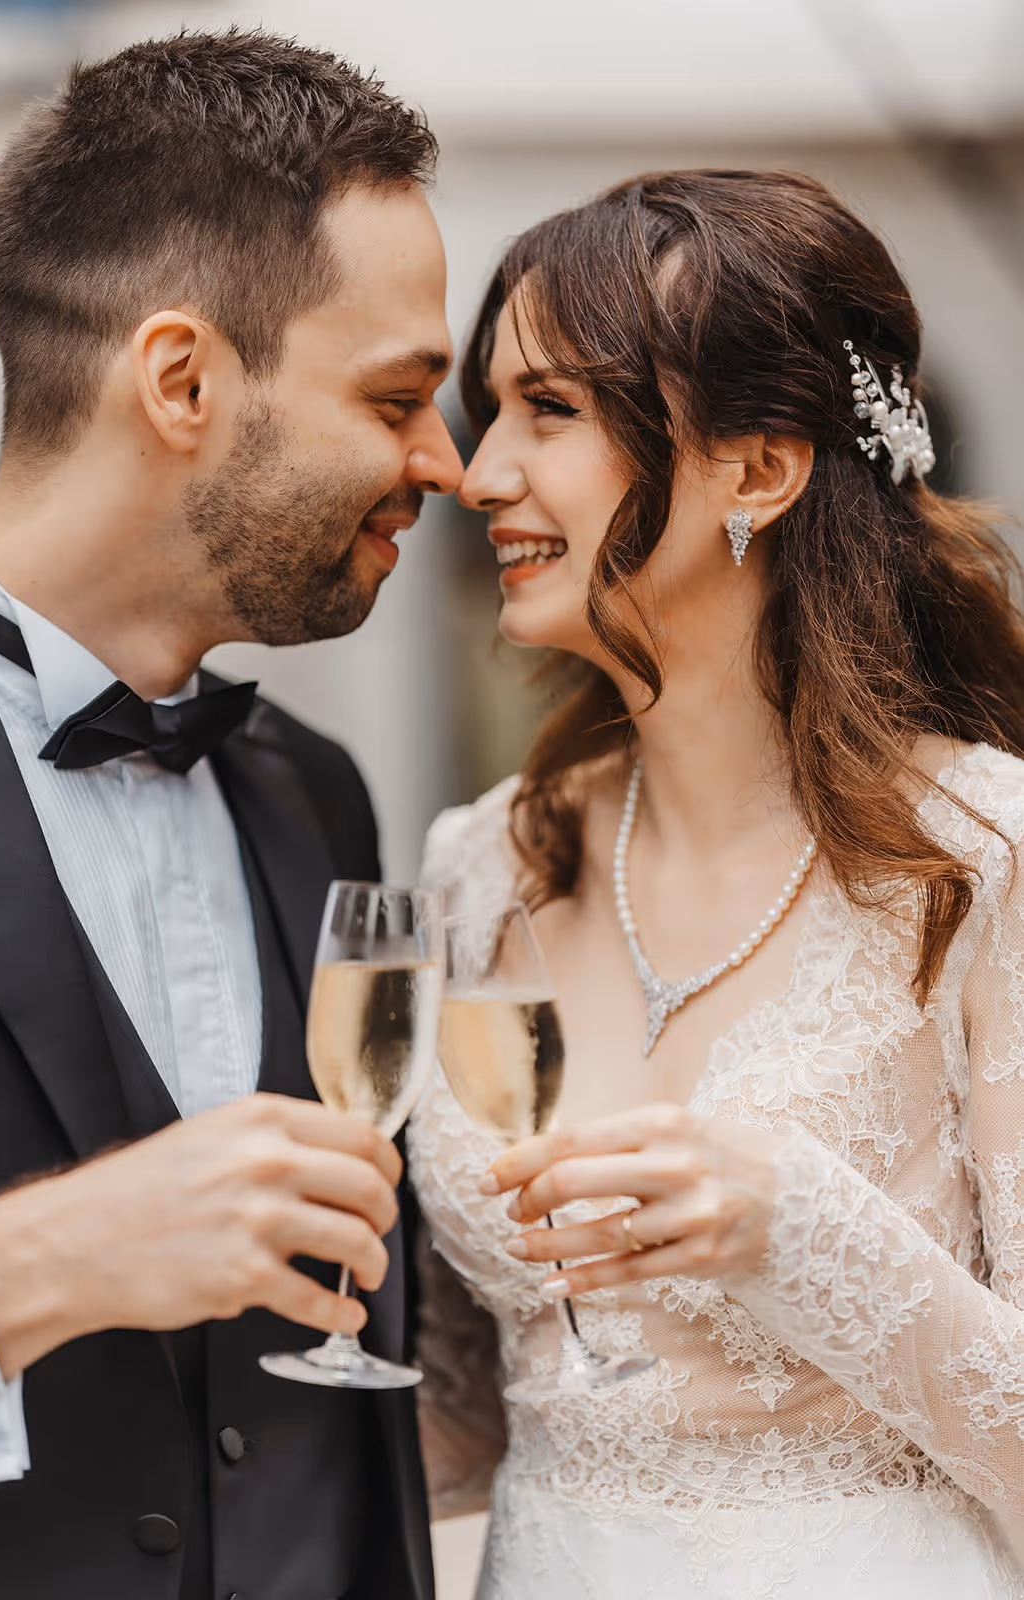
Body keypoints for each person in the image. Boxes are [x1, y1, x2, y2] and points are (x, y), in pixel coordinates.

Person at [411, 169, 1024, 1598]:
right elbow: (461, 1406)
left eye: (548, 412)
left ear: (757, 467)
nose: (480, 471)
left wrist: (800, 1230)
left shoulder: (990, 856)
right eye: (486, 410)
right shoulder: (477, 862)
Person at [0, 28, 462, 1600]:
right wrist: (21, 1271)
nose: (442, 465)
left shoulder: (319, 795)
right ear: (181, 379)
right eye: (397, 399)